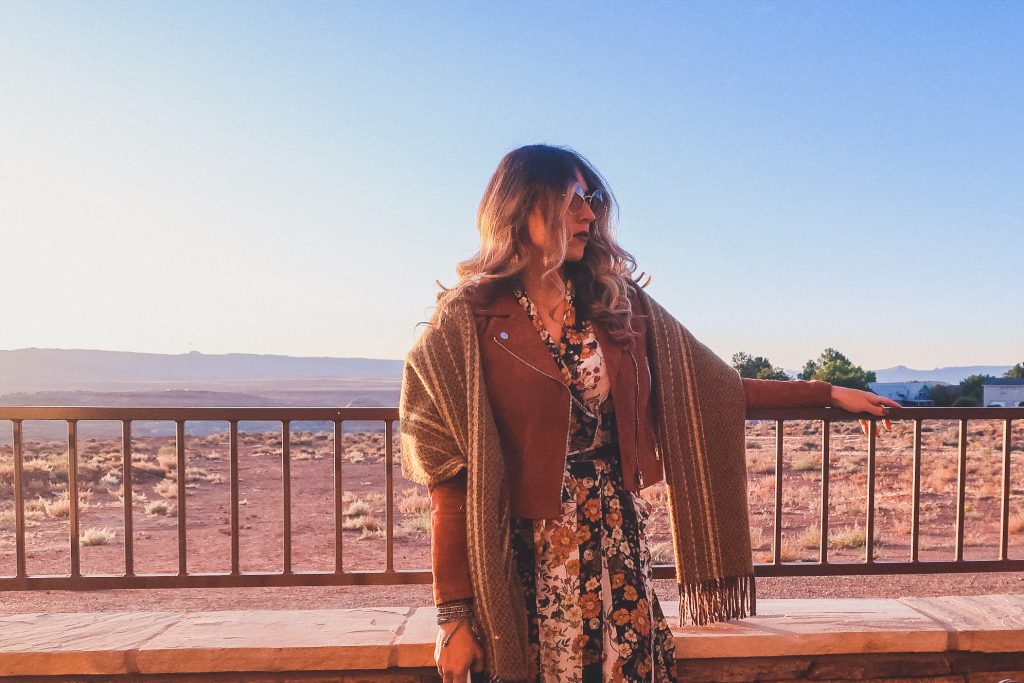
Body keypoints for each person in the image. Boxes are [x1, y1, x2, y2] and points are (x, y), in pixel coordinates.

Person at [399, 144, 899, 683]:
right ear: (522, 210)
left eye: (589, 201)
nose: (589, 214)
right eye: (571, 202)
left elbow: (711, 387)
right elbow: (447, 482)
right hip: (517, 553)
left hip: (613, 537)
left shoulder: (614, 300)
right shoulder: (466, 321)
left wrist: (824, 393)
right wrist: (453, 618)